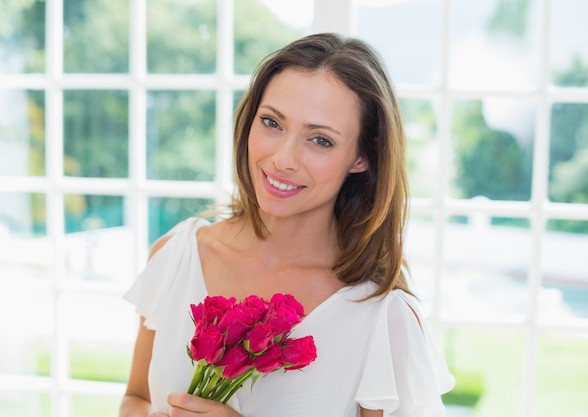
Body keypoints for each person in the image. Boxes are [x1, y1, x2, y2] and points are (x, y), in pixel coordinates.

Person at [120, 32, 454, 417]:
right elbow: (138, 398)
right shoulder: (177, 256)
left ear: (363, 156)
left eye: (320, 140)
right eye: (272, 122)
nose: (283, 158)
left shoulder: (382, 316)